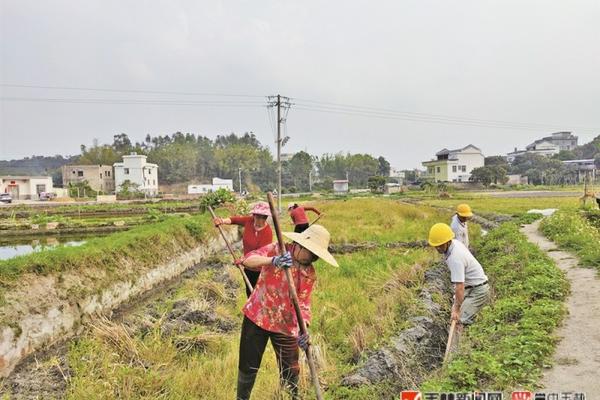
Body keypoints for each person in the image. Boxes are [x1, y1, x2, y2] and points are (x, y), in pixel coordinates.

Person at [235, 224, 338, 400]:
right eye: (311, 254)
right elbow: (248, 259)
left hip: (285, 324)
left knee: (291, 370)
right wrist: (273, 260)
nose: (313, 259)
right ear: (300, 245)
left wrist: (303, 329)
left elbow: (303, 304)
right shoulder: (277, 249)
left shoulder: (309, 273)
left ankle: (291, 396)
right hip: (257, 316)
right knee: (248, 365)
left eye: (316, 256)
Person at [428, 223, 490, 334]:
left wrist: (456, 309)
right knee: (454, 314)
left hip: (478, 290)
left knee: (459, 320)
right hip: (470, 287)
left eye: (440, 245)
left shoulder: (455, 258)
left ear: (447, 242)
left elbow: (459, 286)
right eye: (436, 245)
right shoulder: (454, 244)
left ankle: (461, 347)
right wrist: (456, 303)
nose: (438, 248)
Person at [213, 202, 273, 297]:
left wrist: (243, 260)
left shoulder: (267, 232)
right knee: (249, 293)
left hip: (259, 269)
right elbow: (234, 219)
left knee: (259, 295)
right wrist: (222, 221)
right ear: (254, 215)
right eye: (258, 216)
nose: (261, 219)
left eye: (264, 217)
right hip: (247, 268)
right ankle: (249, 310)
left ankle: (257, 311)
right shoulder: (249, 221)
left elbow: (261, 253)